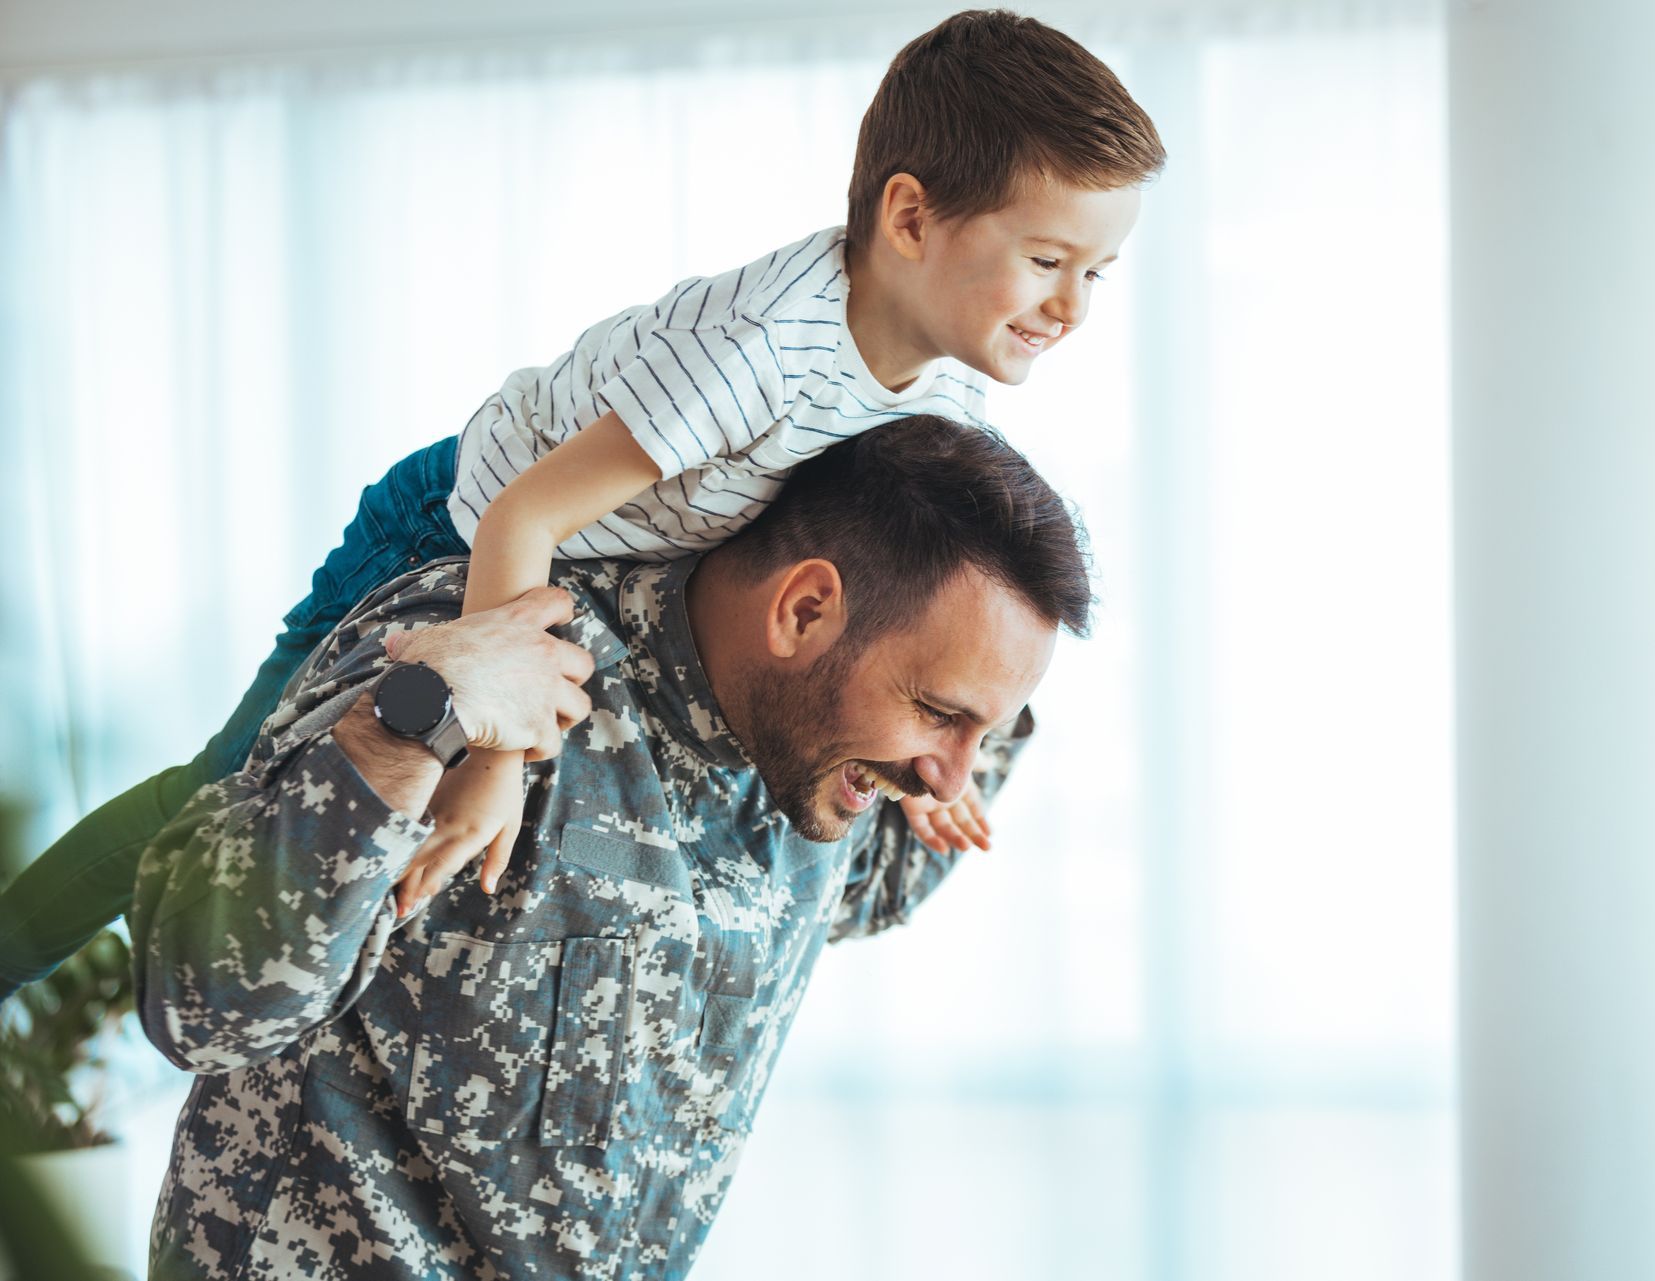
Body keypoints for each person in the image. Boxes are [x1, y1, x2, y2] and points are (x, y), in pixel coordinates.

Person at [0, 7, 1163, 999]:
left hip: (605, 555)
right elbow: (524, 519)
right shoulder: (756, 352)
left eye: (1097, 274)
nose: (1072, 310)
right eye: (1048, 261)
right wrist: (488, 757)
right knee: (234, 778)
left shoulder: (945, 371)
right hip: (463, 524)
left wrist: (918, 765)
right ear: (910, 221)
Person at [133, 416, 1088, 1280]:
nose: (953, 773)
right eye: (939, 711)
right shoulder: (486, 653)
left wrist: (959, 740)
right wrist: (411, 728)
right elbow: (200, 1007)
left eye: (983, 732)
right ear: (805, 611)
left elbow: (878, 886)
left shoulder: (823, 763)